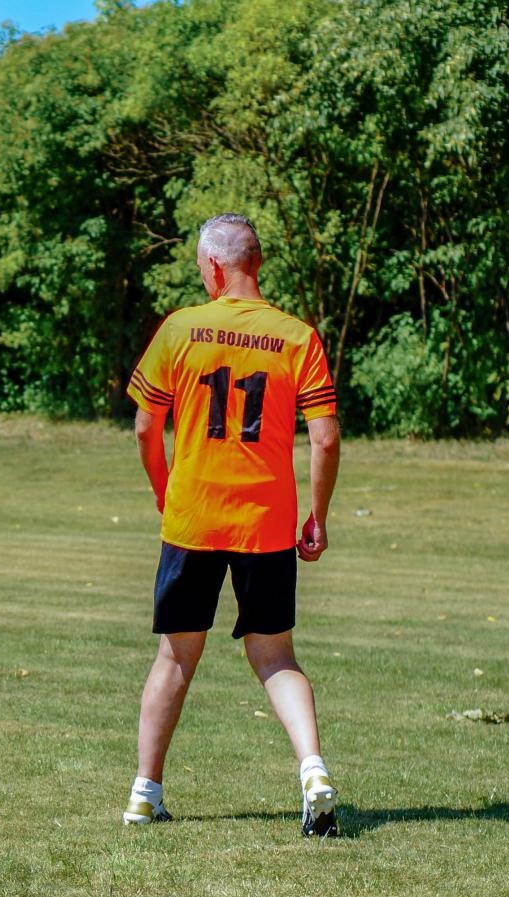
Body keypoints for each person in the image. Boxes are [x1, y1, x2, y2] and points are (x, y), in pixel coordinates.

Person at [122, 213, 342, 837]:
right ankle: (314, 770)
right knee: (275, 656)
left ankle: (145, 793)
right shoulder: (296, 336)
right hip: (265, 524)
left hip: (192, 519)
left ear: (213, 267)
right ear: (256, 264)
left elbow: (145, 426)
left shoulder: (180, 328)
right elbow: (324, 439)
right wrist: (318, 516)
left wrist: (167, 492)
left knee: (174, 657)